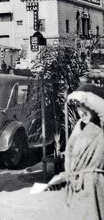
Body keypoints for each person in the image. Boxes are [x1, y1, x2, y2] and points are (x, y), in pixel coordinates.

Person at [47, 83, 104, 219]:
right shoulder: (79, 126)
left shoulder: (101, 126)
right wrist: (63, 177)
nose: (81, 111)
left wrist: (84, 97)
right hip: (75, 189)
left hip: (94, 188)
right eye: (78, 107)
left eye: (85, 106)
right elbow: (73, 160)